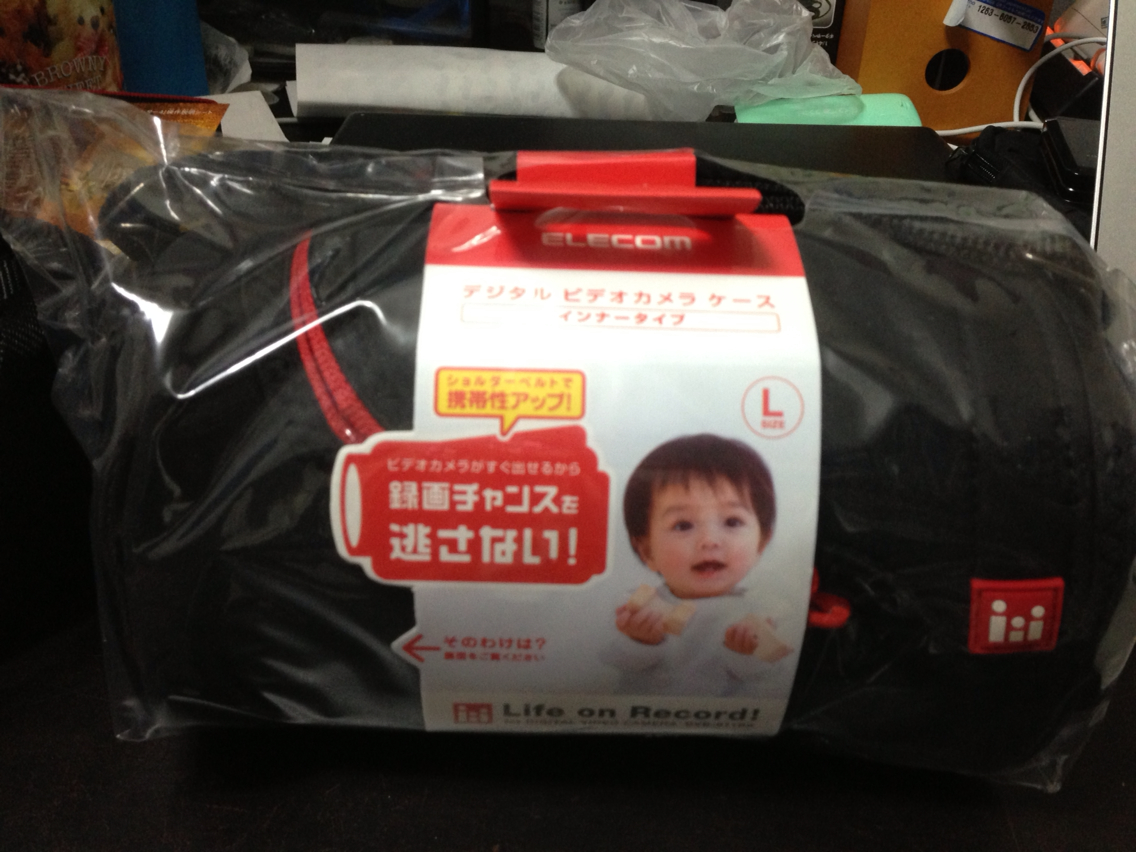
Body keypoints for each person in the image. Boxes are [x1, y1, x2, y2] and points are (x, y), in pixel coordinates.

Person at [602, 434, 793, 696]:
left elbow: (774, 681)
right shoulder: (636, 606)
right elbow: (608, 669)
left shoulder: (764, 612)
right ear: (647, 551)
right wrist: (640, 642)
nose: (709, 541)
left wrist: (745, 656)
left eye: (732, 522)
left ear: (761, 542)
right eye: (683, 525)